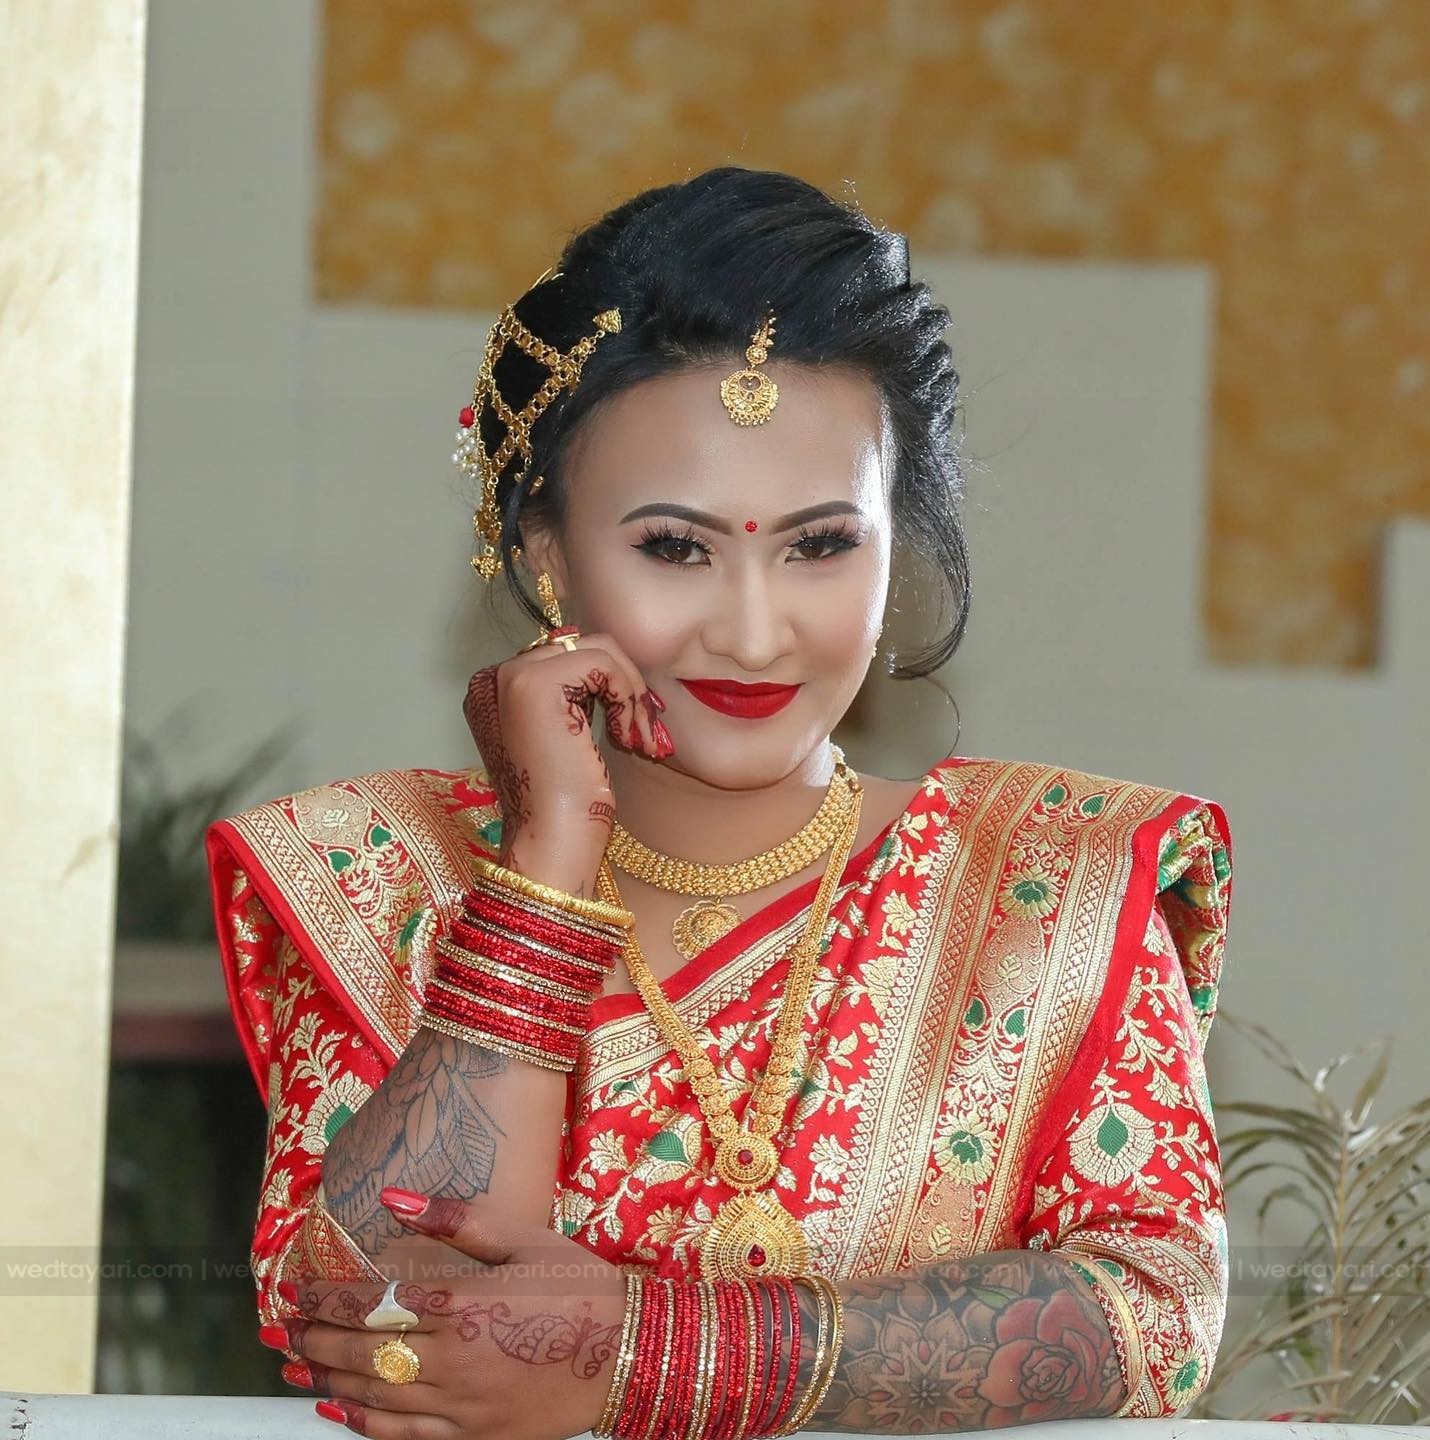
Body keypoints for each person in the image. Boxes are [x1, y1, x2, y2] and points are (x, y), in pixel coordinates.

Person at [206, 167, 1232, 1437]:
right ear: (546, 555)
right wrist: (542, 874)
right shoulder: (379, 880)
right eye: (675, 548)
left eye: (820, 545)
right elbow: (368, 1315)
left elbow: (1156, 1310)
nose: (753, 632)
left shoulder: (1051, 885)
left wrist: (650, 1353)